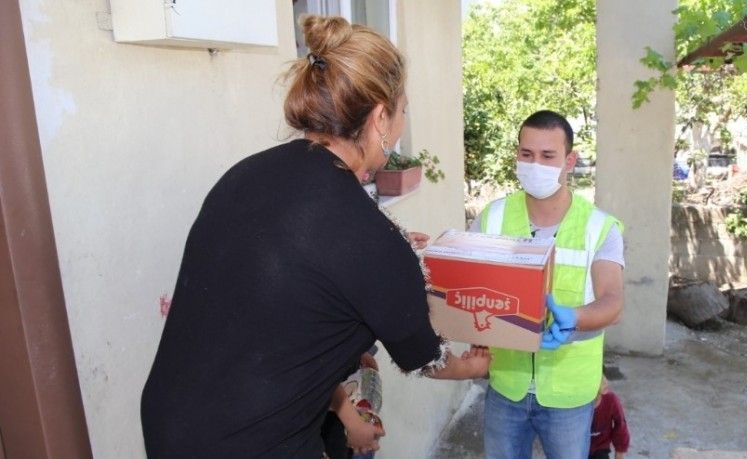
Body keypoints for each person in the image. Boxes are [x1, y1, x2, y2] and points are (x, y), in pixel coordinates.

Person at [140, 15, 489, 458]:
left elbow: (292, 282)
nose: (401, 125)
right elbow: (425, 356)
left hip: (170, 424)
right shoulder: (368, 238)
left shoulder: (246, 175)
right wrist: (471, 367)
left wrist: (386, 253)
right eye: (403, 110)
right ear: (381, 115)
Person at [470, 110, 625, 458]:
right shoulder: (491, 218)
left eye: (547, 156)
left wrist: (576, 317)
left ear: (569, 161)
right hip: (506, 386)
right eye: (527, 154)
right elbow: (468, 286)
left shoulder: (599, 227)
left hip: (569, 395)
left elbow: (613, 301)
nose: (535, 164)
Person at [589, 369, 630, 459]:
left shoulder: (611, 399)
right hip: (578, 446)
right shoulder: (578, 404)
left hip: (600, 447)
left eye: (603, 376)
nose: (605, 381)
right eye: (599, 378)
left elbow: (620, 424)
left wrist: (620, 451)